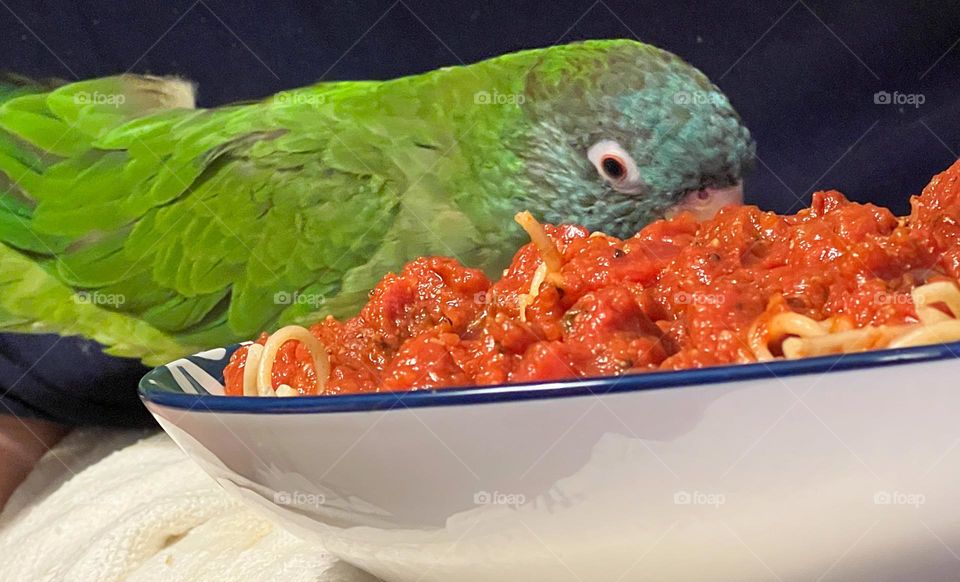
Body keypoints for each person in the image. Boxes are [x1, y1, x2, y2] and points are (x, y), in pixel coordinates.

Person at [0, 0, 957, 504]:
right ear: (535, 140)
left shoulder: (520, 248)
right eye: (620, 171)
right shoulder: (344, 198)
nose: (695, 238)